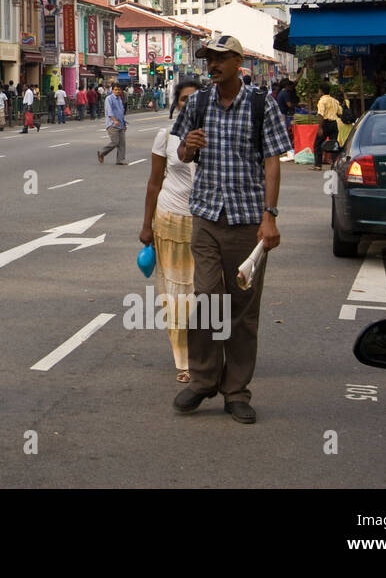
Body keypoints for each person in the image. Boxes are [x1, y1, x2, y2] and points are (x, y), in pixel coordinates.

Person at [171, 34, 291, 425]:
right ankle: (203, 379)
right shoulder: (199, 102)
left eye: (221, 58)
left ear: (239, 61)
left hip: (247, 222)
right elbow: (181, 152)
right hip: (206, 217)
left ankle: (236, 391)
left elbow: (272, 161)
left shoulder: (262, 104)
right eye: (209, 59)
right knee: (207, 298)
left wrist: (269, 215)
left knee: (242, 311)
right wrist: (187, 146)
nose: (213, 64)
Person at [139, 78, 201, 383]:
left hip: (205, 223)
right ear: (175, 103)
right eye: (183, 99)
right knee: (176, 294)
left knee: (205, 291)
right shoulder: (165, 136)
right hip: (169, 220)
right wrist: (146, 225)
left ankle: (208, 351)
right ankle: (185, 360)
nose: (188, 104)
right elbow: (154, 182)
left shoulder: (214, 134)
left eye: (194, 99)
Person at [97, 83, 128, 164]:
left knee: (122, 143)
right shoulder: (109, 99)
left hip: (120, 124)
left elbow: (121, 112)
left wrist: (124, 123)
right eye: (115, 90)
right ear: (112, 90)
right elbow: (109, 111)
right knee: (115, 142)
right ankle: (102, 152)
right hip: (112, 124)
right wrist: (114, 120)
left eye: (119, 90)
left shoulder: (119, 99)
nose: (117, 91)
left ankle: (120, 160)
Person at [315, 82, 341, 169]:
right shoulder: (335, 101)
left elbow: (320, 115)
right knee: (334, 144)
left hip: (325, 124)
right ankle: (335, 164)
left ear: (321, 91)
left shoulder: (322, 101)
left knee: (317, 144)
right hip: (334, 124)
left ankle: (318, 165)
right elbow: (340, 113)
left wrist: (320, 128)